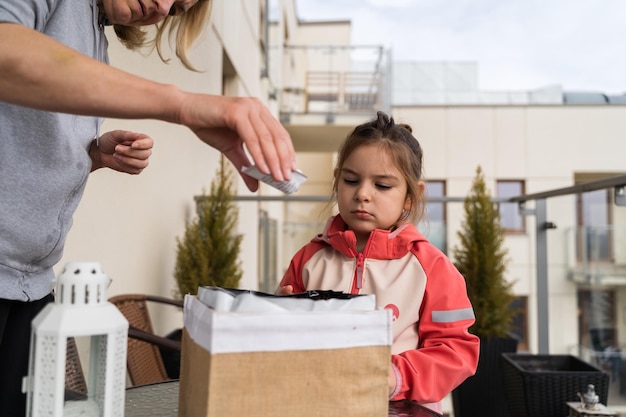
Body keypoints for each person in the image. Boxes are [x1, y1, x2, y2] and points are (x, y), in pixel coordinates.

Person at [0, 0, 296, 415]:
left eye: (175, 10)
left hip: (30, 285)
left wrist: (90, 154)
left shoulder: (95, 38)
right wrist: (181, 104)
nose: (160, 7)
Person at [278, 111, 479, 413]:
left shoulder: (433, 268)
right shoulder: (308, 258)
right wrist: (277, 318)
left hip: (405, 409)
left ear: (411, 196)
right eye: (350, 180)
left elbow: (456, 351)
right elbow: (283, 344)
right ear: (337, 181)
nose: (362, 194)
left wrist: (394, 376)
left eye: (382, 186)